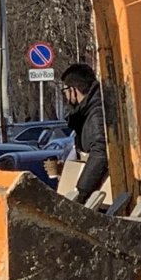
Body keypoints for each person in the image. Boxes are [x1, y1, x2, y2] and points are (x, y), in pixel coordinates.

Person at [60, 62, 108, 206]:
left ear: (73, 90)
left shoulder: (96, 113)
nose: (66, 97)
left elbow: (100, 153)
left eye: (65, 92)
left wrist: (81, 193)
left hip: (99, 196)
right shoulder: (90, 110)